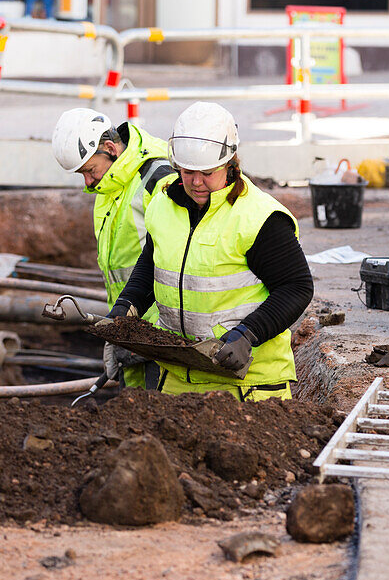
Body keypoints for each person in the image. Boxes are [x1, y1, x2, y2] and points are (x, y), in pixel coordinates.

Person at [110, 101, 313, 401]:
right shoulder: (164, 206)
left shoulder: (258, 218)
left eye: (207, 172)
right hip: (178, 380)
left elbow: (297, 287)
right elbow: (151, 264)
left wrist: (248, 334)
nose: (195, 182)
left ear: (230, 163)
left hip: (249, 388)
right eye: (187, 171)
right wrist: (127, 306)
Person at [51, 108, 176, 389]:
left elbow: (177, 262)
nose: (87, 182)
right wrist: (121, 328)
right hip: (130, 326)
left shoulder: (158, 178)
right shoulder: (111, 185)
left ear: (110, 148)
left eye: (89, 171)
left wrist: (148, 336)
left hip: (160, 335)